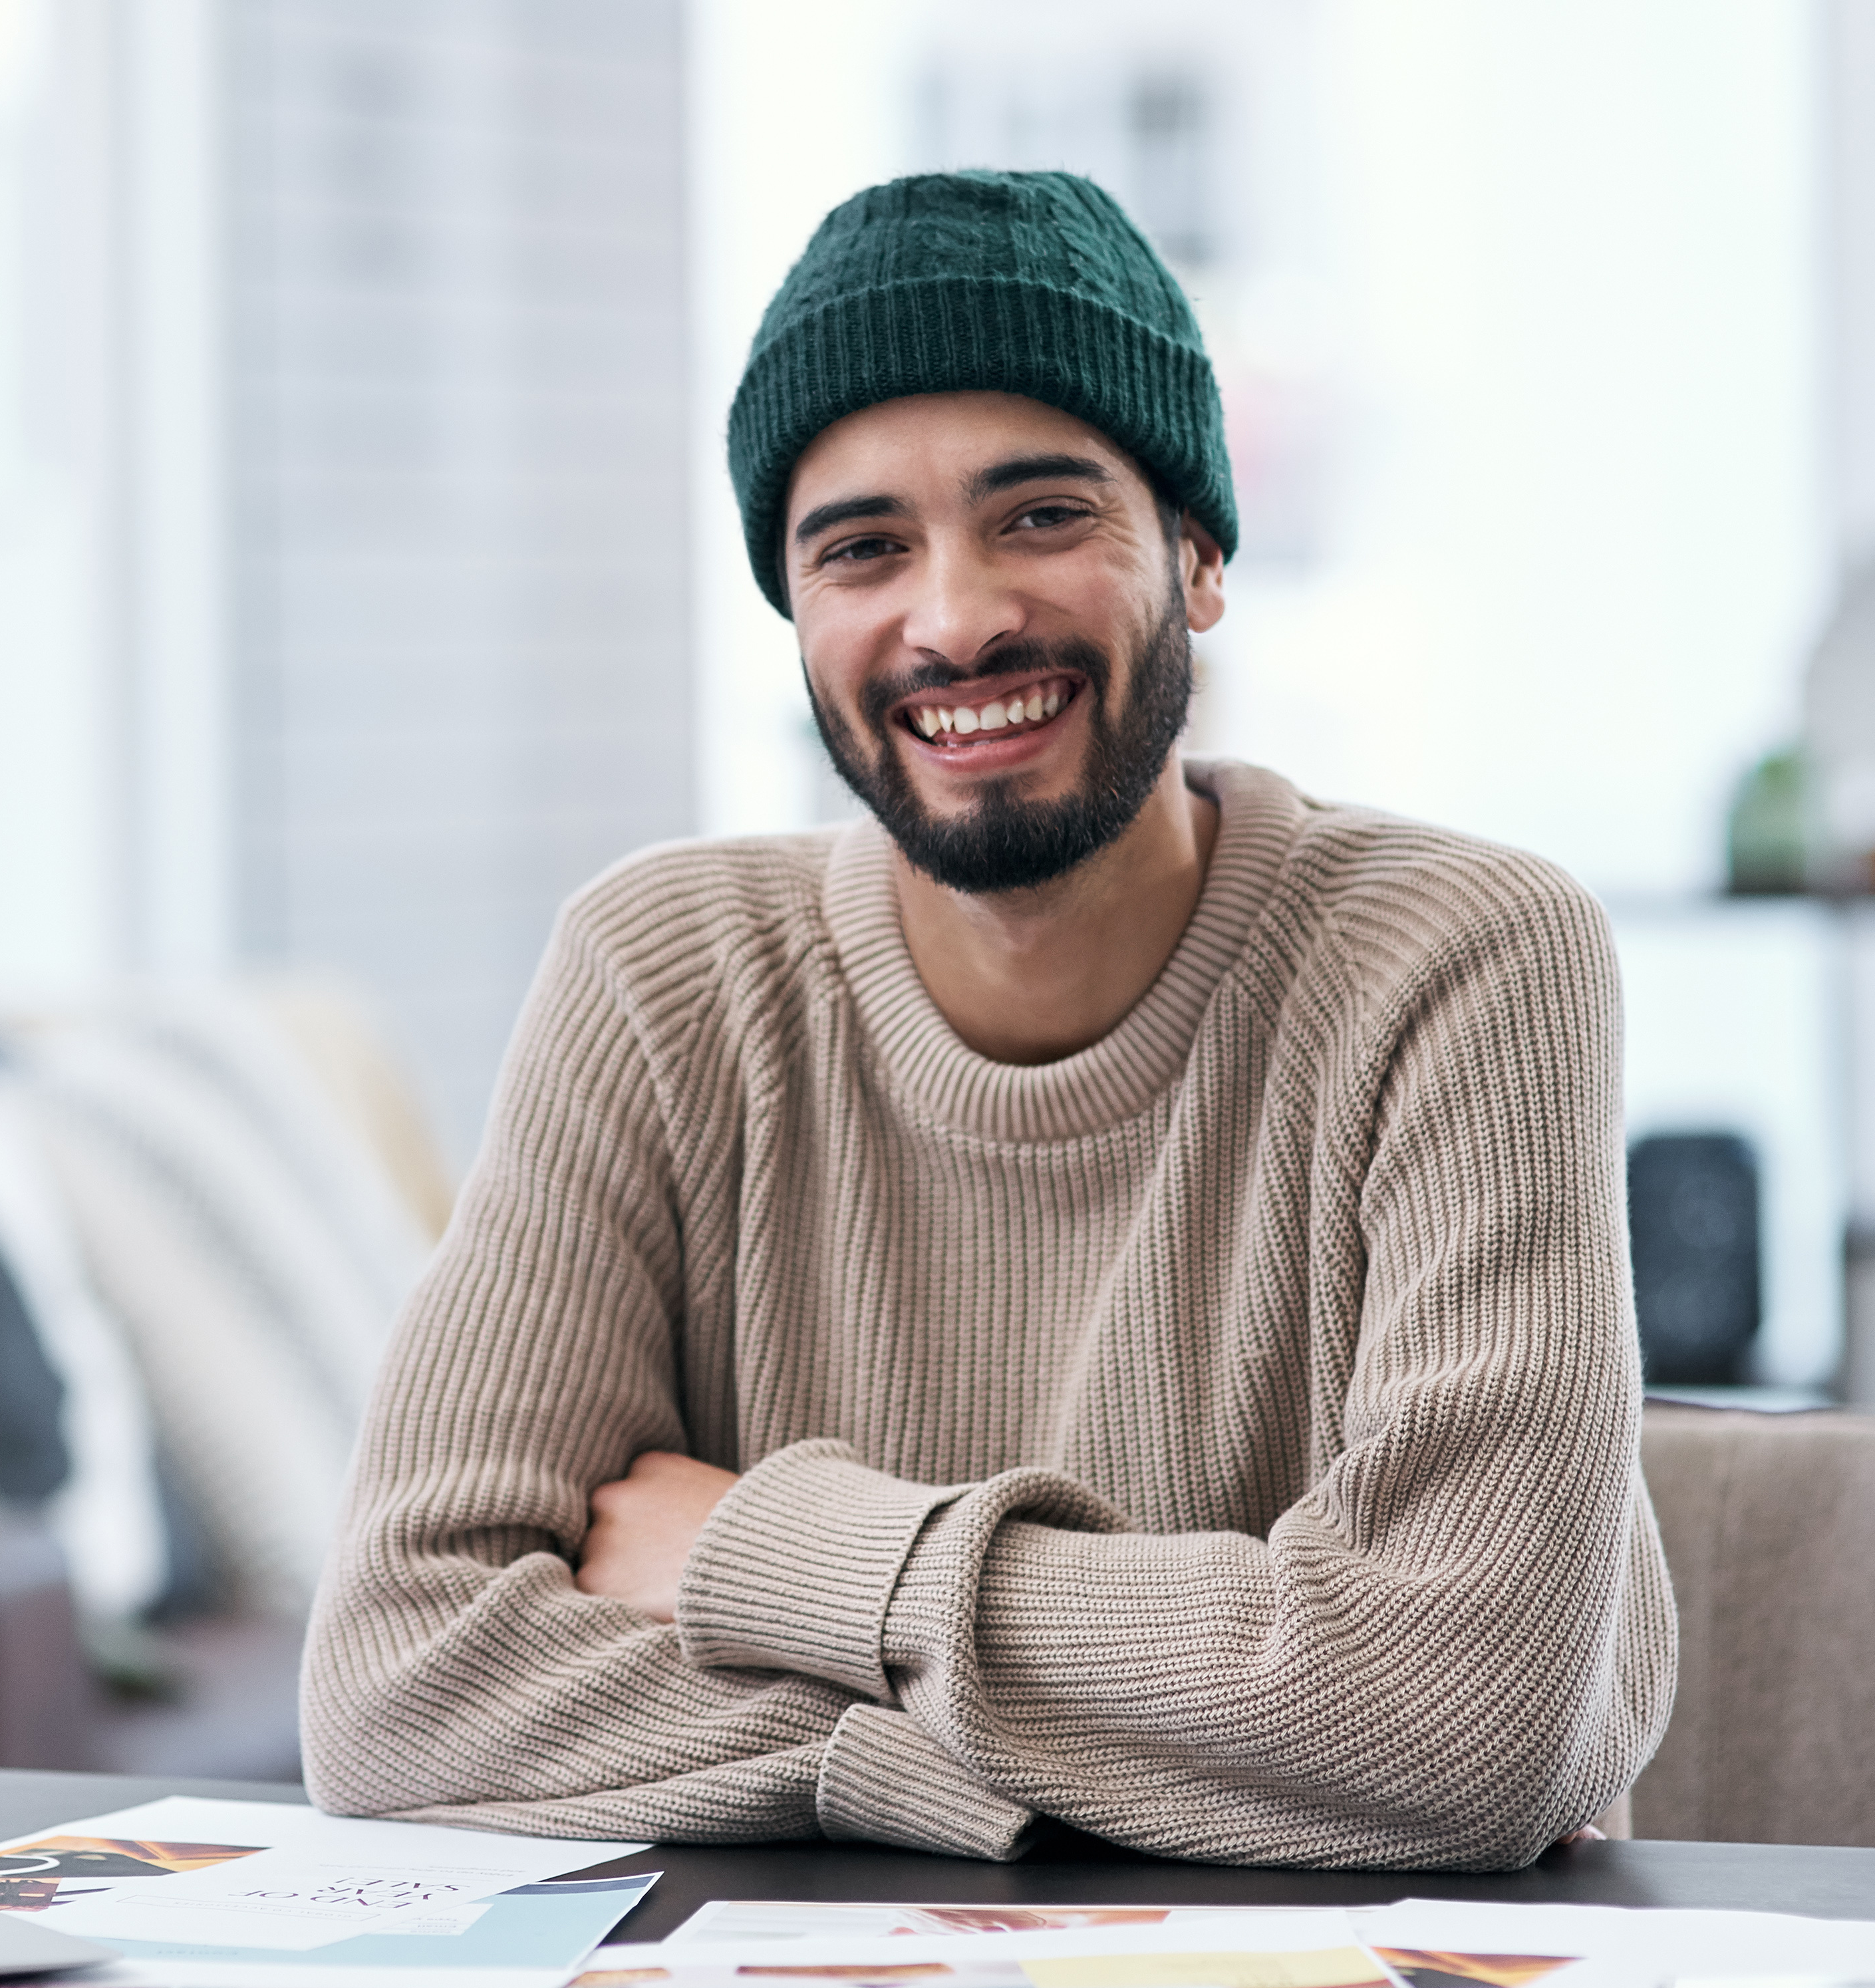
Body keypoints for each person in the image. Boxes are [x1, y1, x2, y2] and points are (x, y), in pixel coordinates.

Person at [298, 170, 1675, 1870]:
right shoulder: (660, 974)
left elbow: (1461, 1713)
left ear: (1199, 552)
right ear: (799, 617)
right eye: (862, 548)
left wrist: (774, 1553)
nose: (952, 618)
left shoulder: (1464, 964)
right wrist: (966, 1767)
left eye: (1039, 516)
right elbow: (396, 1685)